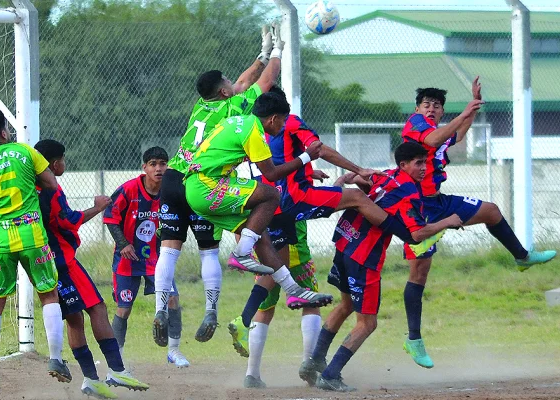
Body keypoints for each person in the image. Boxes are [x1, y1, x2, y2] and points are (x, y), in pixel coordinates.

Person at [228, 86, 445, 357]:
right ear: (278, 112)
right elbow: (320, 149)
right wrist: (357, 169)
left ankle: (243, 320)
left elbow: (277, 162)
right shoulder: (291, 121)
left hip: (265, 205)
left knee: (276, 269)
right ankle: (412, 235)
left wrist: (308, 170)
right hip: (293, 200)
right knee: (356, 197)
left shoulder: (249, 129)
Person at [400, 78, 556, 369]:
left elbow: (456, 137)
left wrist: (472, 107)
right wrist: (464, 112)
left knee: (492, 211)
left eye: (436, 106)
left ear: (442, 111)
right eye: (426, 105)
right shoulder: (415, 126)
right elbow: (432, 141)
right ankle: (414, 339)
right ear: (417, 109)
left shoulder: (438, 129)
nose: (431, 109)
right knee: (419, 274)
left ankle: (522, 257)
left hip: (440, 201)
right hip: (417, 207)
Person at [153, 22, 285, 346]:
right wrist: (279, 51)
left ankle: (159, 309)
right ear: (225, 92)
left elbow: (240, 81)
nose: (233, 83)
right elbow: (264, 83)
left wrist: (261, 54)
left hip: (173, 175)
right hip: (199, 180)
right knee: (208, 250)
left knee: (169, 249)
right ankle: (210, 311)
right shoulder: (233, 108)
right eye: (228, 83)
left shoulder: (202, 105)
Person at [299, 142, 462, 392]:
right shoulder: (409, 191)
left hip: (344, 243)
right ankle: (331, 375)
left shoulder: (386, 175)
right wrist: (447, 221)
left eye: (425, 162)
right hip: (364, 257)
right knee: (367, 323)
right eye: (418, 163)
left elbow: (356, 176)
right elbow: (417, 234)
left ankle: (314, 362)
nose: (424, 168)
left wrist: (349, 178)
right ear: (403, 165)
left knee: (346, 306)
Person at [185, 92, 335, 314]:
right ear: (273, 118)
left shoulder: (239, 121)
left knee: (260, 234)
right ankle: (241, 253)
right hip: (207, 186)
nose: (283, 127)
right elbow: (272, 175)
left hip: (197, 189)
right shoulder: (254, 130)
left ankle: (293, 289)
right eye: (283, 121)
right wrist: (305, 157)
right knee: (272, 194)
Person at [35, 139, 149, 399]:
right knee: (97, 308)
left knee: (74, 319)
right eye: (63, 159)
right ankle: (117, 370)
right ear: (54, 163)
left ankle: (90, 378)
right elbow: (70, 220)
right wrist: (98, 206)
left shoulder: (31, 187)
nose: (65, 163)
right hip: (63, 261)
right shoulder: (51, 188)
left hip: (41, 260)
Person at [0, 109, 71, 400]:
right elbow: (51, 184)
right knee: (48, 294)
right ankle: (55, 358)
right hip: (31, 234)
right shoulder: (24, 151)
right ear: (5, 133)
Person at [103, 147, 188, 367]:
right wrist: (123, 244)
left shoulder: (172, 190)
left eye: (162, 164)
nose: (159, 168)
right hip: (127, 261)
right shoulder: (129, 189)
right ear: (145, 167)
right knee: (124, 308)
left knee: (173, 299)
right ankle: (116, 357)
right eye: (153, 164)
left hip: (158, 261)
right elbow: (110, 217)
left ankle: (174, 351)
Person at [243, 220, 322, 388]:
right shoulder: (291, 191)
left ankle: (252, 373)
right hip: (295, 253)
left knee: (263, 309)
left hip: (265, 253)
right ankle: (309, 363)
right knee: (310, 304)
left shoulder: (260, 192)